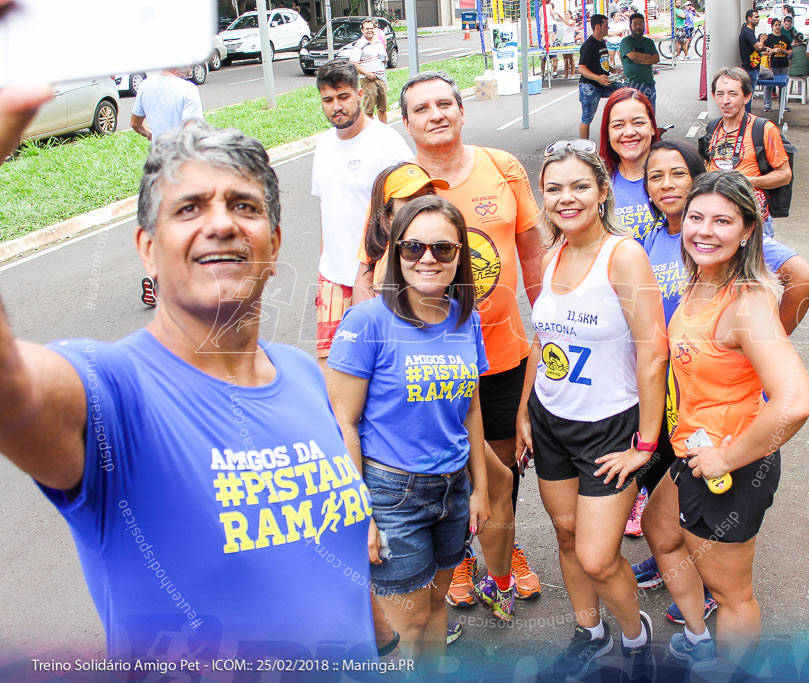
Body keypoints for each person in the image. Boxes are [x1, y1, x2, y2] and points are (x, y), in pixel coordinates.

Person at [0, 120, 378, 661]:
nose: (222, 223)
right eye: (190, 208)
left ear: (274, 244)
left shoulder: (301, 375)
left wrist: (379, 637)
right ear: (148, 250)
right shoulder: (113, 390)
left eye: (245, 206)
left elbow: (329, 553)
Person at [634, 140, 809, 626]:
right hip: (693, 451)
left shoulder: (747, 302)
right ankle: (697, 634)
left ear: (747, 231)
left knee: (734, 595)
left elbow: (796, 401)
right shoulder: (701, 278)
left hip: (730, 467)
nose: (704, 231)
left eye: (722, 222)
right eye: (697, 218)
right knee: (659, 526)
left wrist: (726, 457)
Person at [517, 138, 666, 680]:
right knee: (564, 536)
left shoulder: (622, 254)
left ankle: (635, 637)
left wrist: (645, 444)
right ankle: (590, 632)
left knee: (599, 556)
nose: (567, 197)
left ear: (603, 192)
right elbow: (542, 341)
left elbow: (654, 354)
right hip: (553, 421)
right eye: (554, 188)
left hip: (610, 427)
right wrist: (525, 413)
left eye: (580, 186)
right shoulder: (551, 253)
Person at [400, 71, 546, 620]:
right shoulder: (400, 184)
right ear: (408, 122)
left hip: (505, 355)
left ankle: (501, 548)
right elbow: (377, 267)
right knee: (449, 467)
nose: (436, 114)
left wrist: (547, 323)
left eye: (445, 103)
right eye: (422, 108)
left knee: (503, 467)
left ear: (462, 112)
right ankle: (458, 554)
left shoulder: (502, 167)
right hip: (433, 360)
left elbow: (531, 252)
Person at [328, 196, 490, 666]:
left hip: (453, 488)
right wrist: (363, 515)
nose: (427, 258)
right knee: (404, 629)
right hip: (390, 493)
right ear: (395, 253)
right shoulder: (368, 322)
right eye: (413, 246)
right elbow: (344, 422)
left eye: (443, 249)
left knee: (437, 608)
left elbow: (472, 406)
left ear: (460, 255)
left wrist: (479, 487)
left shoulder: (466, 317)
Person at [311, 60, 412, 368]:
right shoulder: (324, 145)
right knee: (329, 363)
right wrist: (324, 264)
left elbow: (408, 215)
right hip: (332, 276)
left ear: (358, 94)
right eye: (328, 100)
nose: (336, 106)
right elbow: (326, 211)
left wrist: (385, 275)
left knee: (373, 367)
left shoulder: (387, 143)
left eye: (343, 97)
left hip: (376, 278)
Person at [130, 67, 204, 308]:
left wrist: (150, 135)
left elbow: (134, 123)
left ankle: (155, 277)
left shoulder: (145, 86)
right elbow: (191, 131)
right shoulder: (187, 90)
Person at [703, 67, 792, 238]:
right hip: (716, 220)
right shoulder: (713, 127)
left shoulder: (763, 129)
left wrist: (748, 181)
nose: (726, 100)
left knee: (755, 265)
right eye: (720, 94)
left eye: (733, 94)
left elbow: (785, 174)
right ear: (713, 96)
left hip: (753, 222)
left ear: (747, 96)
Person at [353, 162, 449, 301]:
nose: (425, 203)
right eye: (410, 199)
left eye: (429, 193)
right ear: (388, 215)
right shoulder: (401, 259)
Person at [599, 87, 662, 245]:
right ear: (608, 133)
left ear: (653, 127)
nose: (629, 132)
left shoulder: (679, 178)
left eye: (638, 122)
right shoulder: (598, 187)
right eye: (618, 125)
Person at [578, 13, 625, 139]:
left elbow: (601, 61)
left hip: (605, 82)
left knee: (625, 91)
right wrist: (598, 78)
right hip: (590, 86)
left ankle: (618, 122)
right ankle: (585, 147)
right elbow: (581, 69)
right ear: (598, 27)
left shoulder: (602, 42)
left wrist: (613, 70)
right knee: (587, 117)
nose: (608, 28)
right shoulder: (588, 46)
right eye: (606, 25)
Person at [350, 18, 390, 124]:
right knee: (369, 109)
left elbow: (384, 57)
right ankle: (370, 133)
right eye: (367, 28)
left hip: (381, 78)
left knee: (383, 108)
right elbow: (353, 63)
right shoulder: (359, 45)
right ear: (362, 30)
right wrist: (367, 74)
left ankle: (384, 131)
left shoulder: (378, 42)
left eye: (371, 28)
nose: (369, 30)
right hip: (368, 80)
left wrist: (385, 59)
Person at [619, 13, 659, 112]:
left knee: (650, 116)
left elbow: (656, 58)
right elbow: (633, 56)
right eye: (635, 24)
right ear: (630, 26)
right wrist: (648, 56)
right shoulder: (626, 41)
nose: (638, 26)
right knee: (633, 116)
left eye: (641, 24)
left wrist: (638, 60)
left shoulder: (649, 42)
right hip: (631, 85)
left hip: (648, 85)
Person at [738, 8, 765, 114]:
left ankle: (746, 117)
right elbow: (758, 47)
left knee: (748, 95)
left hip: (753, 68)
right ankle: (746, 117)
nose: (758, 19)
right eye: (756, 17)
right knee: (748, 96)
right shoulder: (747, 32)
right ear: (749, 18)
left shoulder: (749, 32)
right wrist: (762, 40)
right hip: (750, 69)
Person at [761, 19, 792, 113]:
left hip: (784, 65)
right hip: (772, 66)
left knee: (783, 86)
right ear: (772, 27)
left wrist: (784, 51)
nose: (778, 27)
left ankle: (783, 105)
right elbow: (762, 51)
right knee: (769, 86)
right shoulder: (769, 38)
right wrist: (772, 51)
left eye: (779, 25)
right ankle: (767, 105)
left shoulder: (785, 38)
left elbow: (790, 51)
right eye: (776, 25)